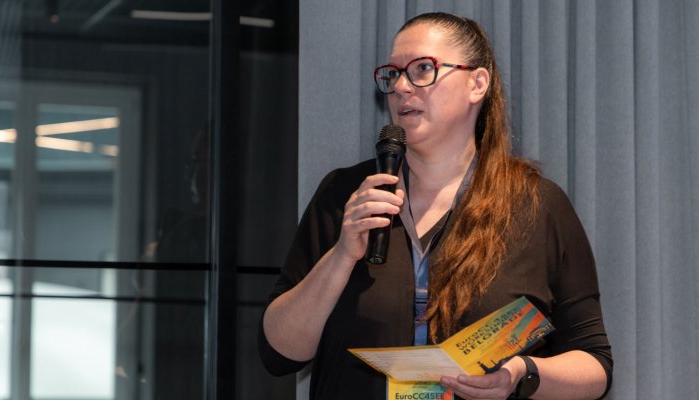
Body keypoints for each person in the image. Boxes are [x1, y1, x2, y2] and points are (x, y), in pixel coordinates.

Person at [259, 12, 612, 400]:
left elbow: (594, 365)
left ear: (477, 83)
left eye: (422, 69)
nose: (401, 87)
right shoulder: (347, 195)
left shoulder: (535, 205)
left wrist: (521, 373)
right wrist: (342, 255)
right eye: (393, 74)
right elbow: (279, 353)